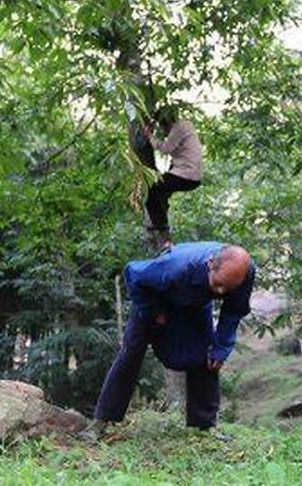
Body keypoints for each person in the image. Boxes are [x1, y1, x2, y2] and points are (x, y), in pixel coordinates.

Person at [84, 242, 255, 439]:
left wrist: (222, 346)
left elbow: (234, 310)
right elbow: (132, 273)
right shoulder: (175, 267)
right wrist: (153, 312)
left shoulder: (245, 273)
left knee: (209, 356)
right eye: (218, 284)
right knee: (131, 353)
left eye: (228, 288)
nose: (221, 292)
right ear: (210, 264)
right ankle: (101, 422)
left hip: (194, 304)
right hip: (154, 298)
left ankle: (204, 427)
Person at [136, 107, 204, 244]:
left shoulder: (180, 127)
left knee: (153, 191)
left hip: (186, 175)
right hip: (191, 175)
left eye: (162, 126)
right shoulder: (186, 126)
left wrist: (149, 136)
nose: (164, 132)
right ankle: (161, 219)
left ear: (165, 123)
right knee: (162, 192)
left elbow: (166, 148)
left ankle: (160, 228)